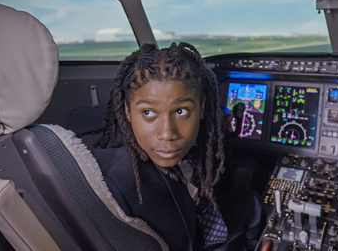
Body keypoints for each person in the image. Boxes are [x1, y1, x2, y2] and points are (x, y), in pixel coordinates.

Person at [93, 42, 265, 251]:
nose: (167, 133)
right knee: (252, 203)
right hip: (194, 235)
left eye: (181, 111)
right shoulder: (134, 184)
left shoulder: (113, 153)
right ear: (127, 111)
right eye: (148, 113)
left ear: (202, 108)